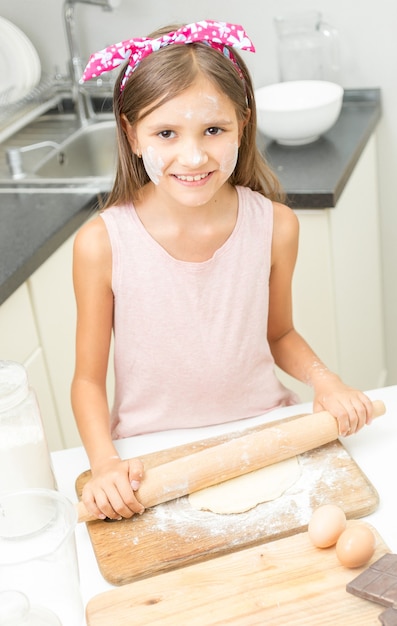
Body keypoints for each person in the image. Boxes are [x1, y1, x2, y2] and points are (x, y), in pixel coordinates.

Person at [72, 20, 374, 521]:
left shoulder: (275, 226)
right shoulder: (102, 244)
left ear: (243, 123)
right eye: (165, 133)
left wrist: (328, 382)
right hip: (150, 455)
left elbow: (279, 333)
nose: (193, 156)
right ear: (131, 132)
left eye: (214, 130)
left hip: (265, 433)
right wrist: (104, 463)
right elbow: (86, 380)